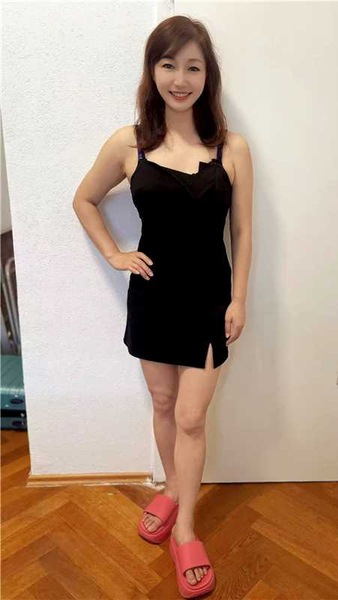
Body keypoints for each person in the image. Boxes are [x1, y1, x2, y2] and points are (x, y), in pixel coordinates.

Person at [72, 15, 253, 598]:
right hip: (153, 296)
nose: (180, 78)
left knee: (192, 417)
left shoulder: (232, 148)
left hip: (208, 300)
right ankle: (173, 489)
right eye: (169, 64)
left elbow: (242, 232)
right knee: (164, 402)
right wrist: (114, 254)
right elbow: (84, 199)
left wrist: (239, 298)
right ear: (153, 71)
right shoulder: (129, 143)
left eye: (192, 67)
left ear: (208, 75)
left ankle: (187, 530)